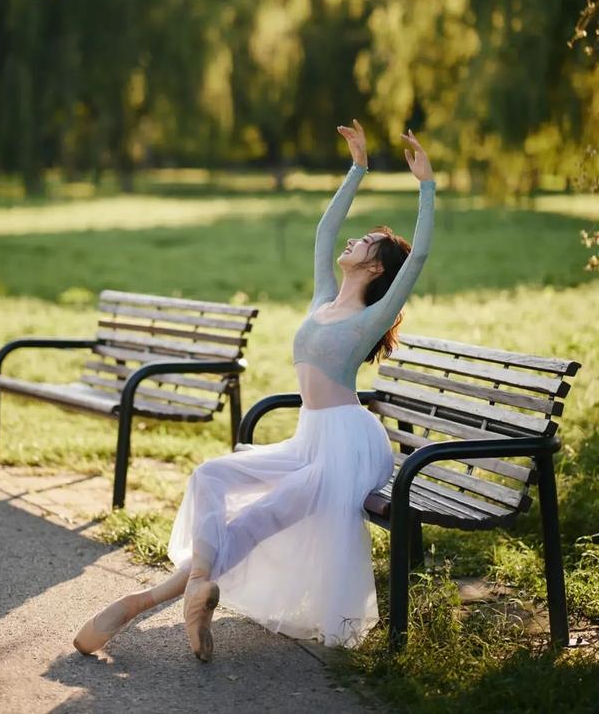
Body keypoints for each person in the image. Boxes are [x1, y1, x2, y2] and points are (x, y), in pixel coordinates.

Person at [73, 120, 436, 662]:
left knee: (259, 518)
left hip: (349, 449)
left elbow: (421, 257)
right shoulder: (323, 298)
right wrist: (357, 169)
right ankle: (196, 588)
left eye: (365, 241)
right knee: (210, 476)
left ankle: (141, 603)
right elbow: (322, 232)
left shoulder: (368, 316)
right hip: (309, 438)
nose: (352, 239)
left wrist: (426, 186)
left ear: (376, 265)